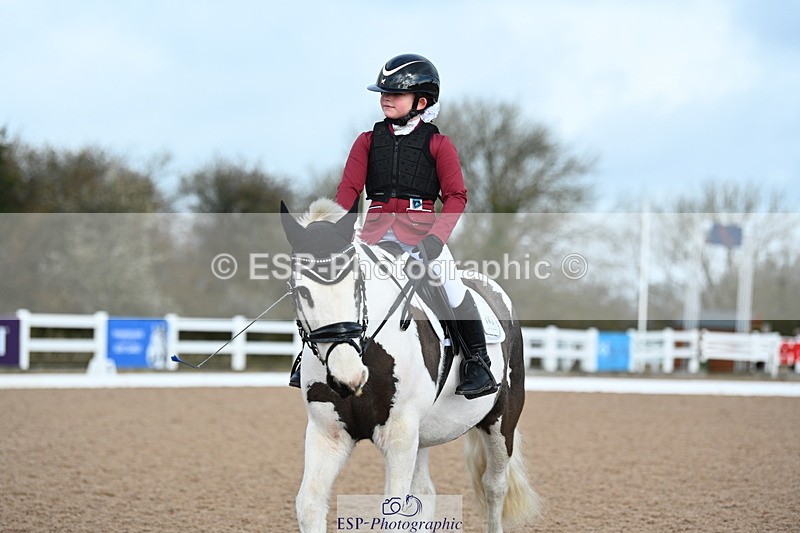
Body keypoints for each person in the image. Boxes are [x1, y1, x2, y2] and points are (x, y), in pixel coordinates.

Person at [290, 53, 497, 400]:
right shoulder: (367, 141)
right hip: (371, 234)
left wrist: (436, 239)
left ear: (421, 102)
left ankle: (478, 362)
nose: (386, 98)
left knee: (451, 286)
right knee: (331, 283)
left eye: (395, 94)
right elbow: (349, 189)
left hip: (422, 237)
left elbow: (456, 196)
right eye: (383, 93)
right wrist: (334, 232)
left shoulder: (438, 144)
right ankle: (309, 356)